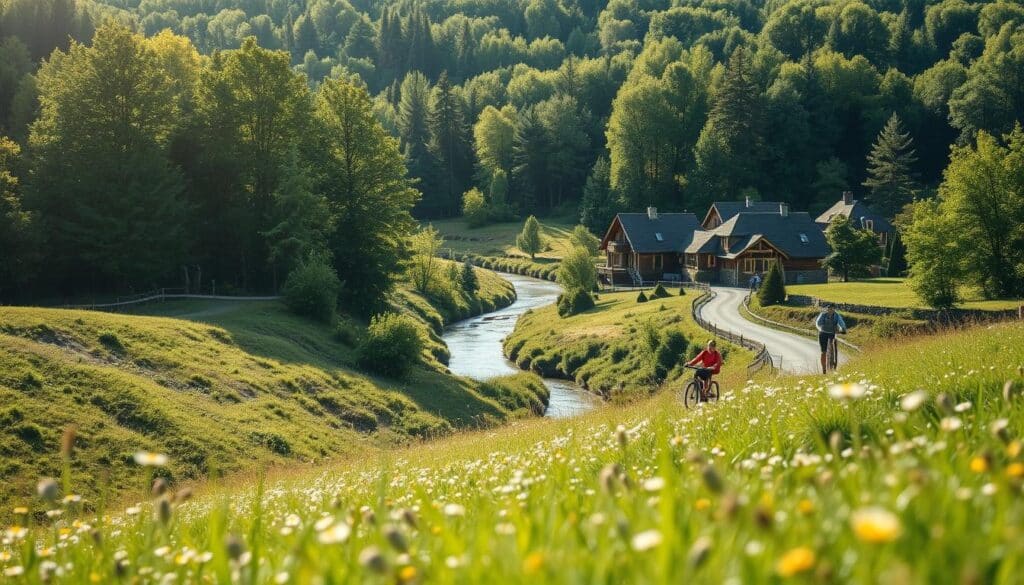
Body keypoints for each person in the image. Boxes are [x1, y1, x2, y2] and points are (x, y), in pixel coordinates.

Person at [815, 304, 847, 374]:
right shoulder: (823, 314)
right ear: (827, 309)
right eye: (829, 309)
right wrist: (820, 328)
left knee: (832, 347)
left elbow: (842, 323)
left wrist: (843, 329)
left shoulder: (836, 316)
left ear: (834, 309)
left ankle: (832, 363)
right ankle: (824, 369)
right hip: (823, 333)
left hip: (831, 334)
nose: (830, 310)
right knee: (823, 352)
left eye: (832, 309)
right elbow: (818, 323)